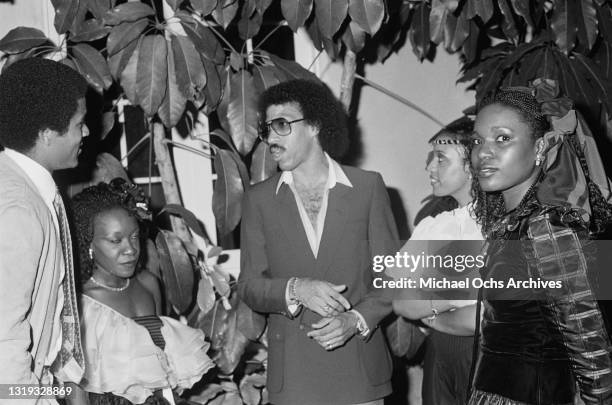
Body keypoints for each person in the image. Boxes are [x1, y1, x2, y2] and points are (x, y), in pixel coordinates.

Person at [238, 79, 399, 405]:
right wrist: (296, 289)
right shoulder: (258, 200)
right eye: (267, 128)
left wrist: (355, 321)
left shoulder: (367, 188)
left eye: (282, 124)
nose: (271, 138)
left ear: (314, 125)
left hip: (359, 373)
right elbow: (249, 286)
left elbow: (394, 277)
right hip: (295, 380)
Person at [468, 85, 612, 404]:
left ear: (541, 146)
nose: (483, 152)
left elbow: (590, 342)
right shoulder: (514, 223)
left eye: (502, 138)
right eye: (477, 140)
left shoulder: (549, 226)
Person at [67, 180, 214, 404]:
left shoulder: (148, 284)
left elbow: (161, 369)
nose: (130, 250)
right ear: (89, 244)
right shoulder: (79, 302)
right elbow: (74, 387)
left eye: (134, 237)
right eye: (115, 241)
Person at [0, 58, 89, 402]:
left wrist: (64, 383)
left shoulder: (30, 189)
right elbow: (5, 340)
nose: (87, 133)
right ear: (46, 134)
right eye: (79, 124)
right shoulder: (18, 209)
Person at [392, 117, 482, 405]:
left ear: (471, 166)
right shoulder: (433, 225)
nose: (430, 167)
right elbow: (401, 301)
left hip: (487, 359)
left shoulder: (498, 225)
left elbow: (484, 317)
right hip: (440, 357)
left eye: (441, 159)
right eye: (431, 157)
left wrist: (429, 308)